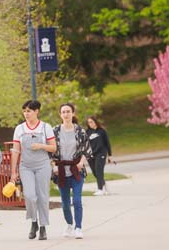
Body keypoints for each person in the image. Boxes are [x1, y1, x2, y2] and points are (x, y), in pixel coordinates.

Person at [10, 100, 56, 240]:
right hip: (26, 166)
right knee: (29, 195)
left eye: (29, 111)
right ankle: (33, 221)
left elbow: (53, 148)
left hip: (43, 165)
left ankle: (43, 227)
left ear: (37, 111)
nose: (26, 113)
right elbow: (16, 151)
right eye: (24, 111)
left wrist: (41, 146)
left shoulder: (45, 127)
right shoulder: (19, 129)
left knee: (42, 197)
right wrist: (13, 172)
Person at [52, 103, 92, 239]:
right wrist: (53, 166)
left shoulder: (80, 131)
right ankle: (69, 224)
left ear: (73, 113)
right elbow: (50, 151)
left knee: (77, 200)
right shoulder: (55, 131)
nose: (66, 114)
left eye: (68, 111)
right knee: (65, 203)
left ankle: (78, 227)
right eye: (63, 112)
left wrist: (81, 163)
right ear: (60, 114)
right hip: (61, 171)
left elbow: (86, 150)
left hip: (76, 170)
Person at [86, 116, 112, 196]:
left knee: (99, 170)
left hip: (101, 154)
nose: (90, 124)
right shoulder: (87, 132)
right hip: (91, 155)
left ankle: (100, 189)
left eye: (91, 122)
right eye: (89, 122)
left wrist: (110, 155)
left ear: (95, 121)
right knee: (95, 172)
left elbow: (107, 143)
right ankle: (104, 186)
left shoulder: (101, 131)